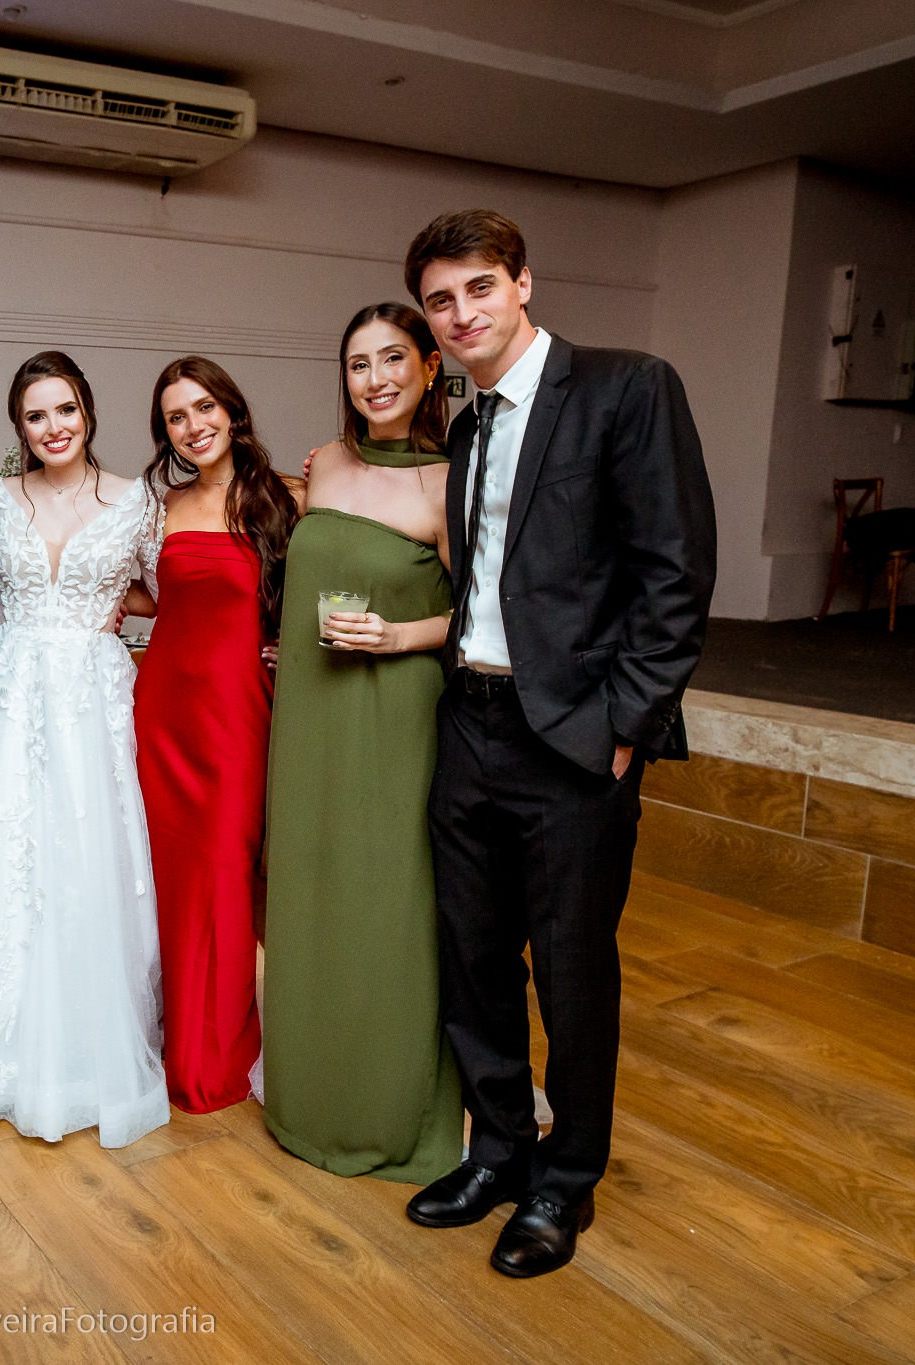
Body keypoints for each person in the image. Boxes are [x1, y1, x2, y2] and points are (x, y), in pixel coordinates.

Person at [401, 210, 715, 1276]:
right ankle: (497, 1149)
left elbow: (675, 573)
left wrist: (625, 727)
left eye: (479, 288)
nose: (461, 314)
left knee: (571, 970)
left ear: (522, 283)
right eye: (441, 301)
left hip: (575, 738)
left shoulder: (627, 389)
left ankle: (564, 1179)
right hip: (470, 721)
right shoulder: (466, 425)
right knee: (473, 955)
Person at [0, 351, 168, 1148]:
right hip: (13, 688)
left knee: (87, 856)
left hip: (94, 695)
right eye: (36, 415)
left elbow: (167, 592)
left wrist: (113, 607)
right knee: (7, 854)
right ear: (19, 427)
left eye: (65, 409)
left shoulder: (136, 500)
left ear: (87, 411)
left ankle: (88, 1048)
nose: (53, 427)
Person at [263, 303, 462, 1182]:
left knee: (388, 901)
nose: (375, 379)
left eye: (392, 359)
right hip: (312, 710)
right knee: (311, 889)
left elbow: (483, 617)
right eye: (357, 364)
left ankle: (386, 1102)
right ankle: (309, 1094)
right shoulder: (327, 464)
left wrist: (399, 635)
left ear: (429, 367)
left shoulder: (451, 482)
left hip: (397, 712)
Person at [134, 356, 298, 1115]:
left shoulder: (286, 499)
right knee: (169, 876)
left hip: (237, 715)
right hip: (163, 711)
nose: (193, 426)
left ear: (231, 411)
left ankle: (221, 1048)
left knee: (227, 873)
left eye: (204, 408)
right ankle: (176, 1035)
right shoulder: (158, 505)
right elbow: (151, 591)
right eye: (177, 416)